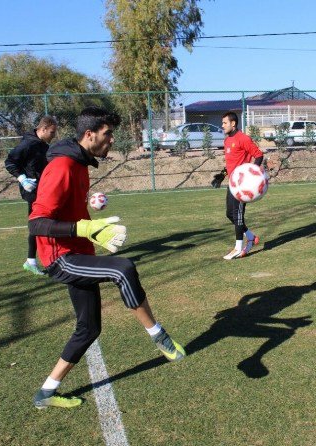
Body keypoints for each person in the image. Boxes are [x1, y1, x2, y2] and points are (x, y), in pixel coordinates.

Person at [28, 106, 185, 409]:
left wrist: (87, 214)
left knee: (89, 329)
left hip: (77, 252)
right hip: (61, 257)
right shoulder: (62, 166)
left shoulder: (79, 164)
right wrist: (85, 227)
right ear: (89, 135)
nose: (112, 139)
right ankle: (159, 336)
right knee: (123, 268)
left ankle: (46, 392)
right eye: (107, 133)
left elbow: (65, 207)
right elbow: (37, 223)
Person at [5, 115, 58, 276]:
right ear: (43, 129)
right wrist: (22, 179)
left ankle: (36, 260)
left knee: (46, 223)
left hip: (43, 190)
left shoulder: (41, 144)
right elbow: (10, 162)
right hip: (33, 192)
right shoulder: (28, 143)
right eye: (52, 132)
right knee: (39, 225)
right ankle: (36, 261)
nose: (53, 135)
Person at [218, 111, 264, 260]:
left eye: (225, 123)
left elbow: (258, 155)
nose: (222, 125)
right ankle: (250, 236)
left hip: (242, 187)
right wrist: (222, 174)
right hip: (231, 183)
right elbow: (232, 163)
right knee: (229, 214)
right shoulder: (227, 140)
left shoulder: (243, 138)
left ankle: (238, 248)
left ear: (233, 123)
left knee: (237, 215)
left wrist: (252, 174)